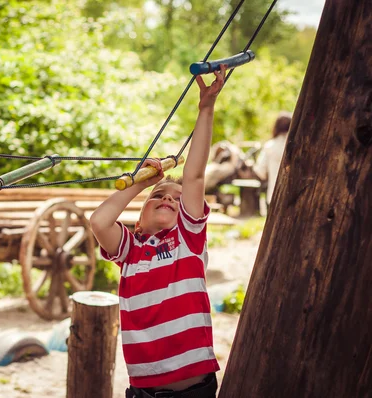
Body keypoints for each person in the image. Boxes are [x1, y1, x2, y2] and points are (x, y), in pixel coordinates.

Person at [90, 65, 228, 398]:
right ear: (137, 221)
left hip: (192, 392)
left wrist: (205, 108)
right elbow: (99, 222)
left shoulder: (187, 240)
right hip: (142, 393)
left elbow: (194, 177)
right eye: (158, 196)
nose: (167, 198)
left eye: (176, 200)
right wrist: (140, 184)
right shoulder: (130, 251)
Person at [253, 111, 292, 206]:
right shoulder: (299, 145)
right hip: (294, 196)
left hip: (274, 194)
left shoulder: (269, 146)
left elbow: (260, 170)